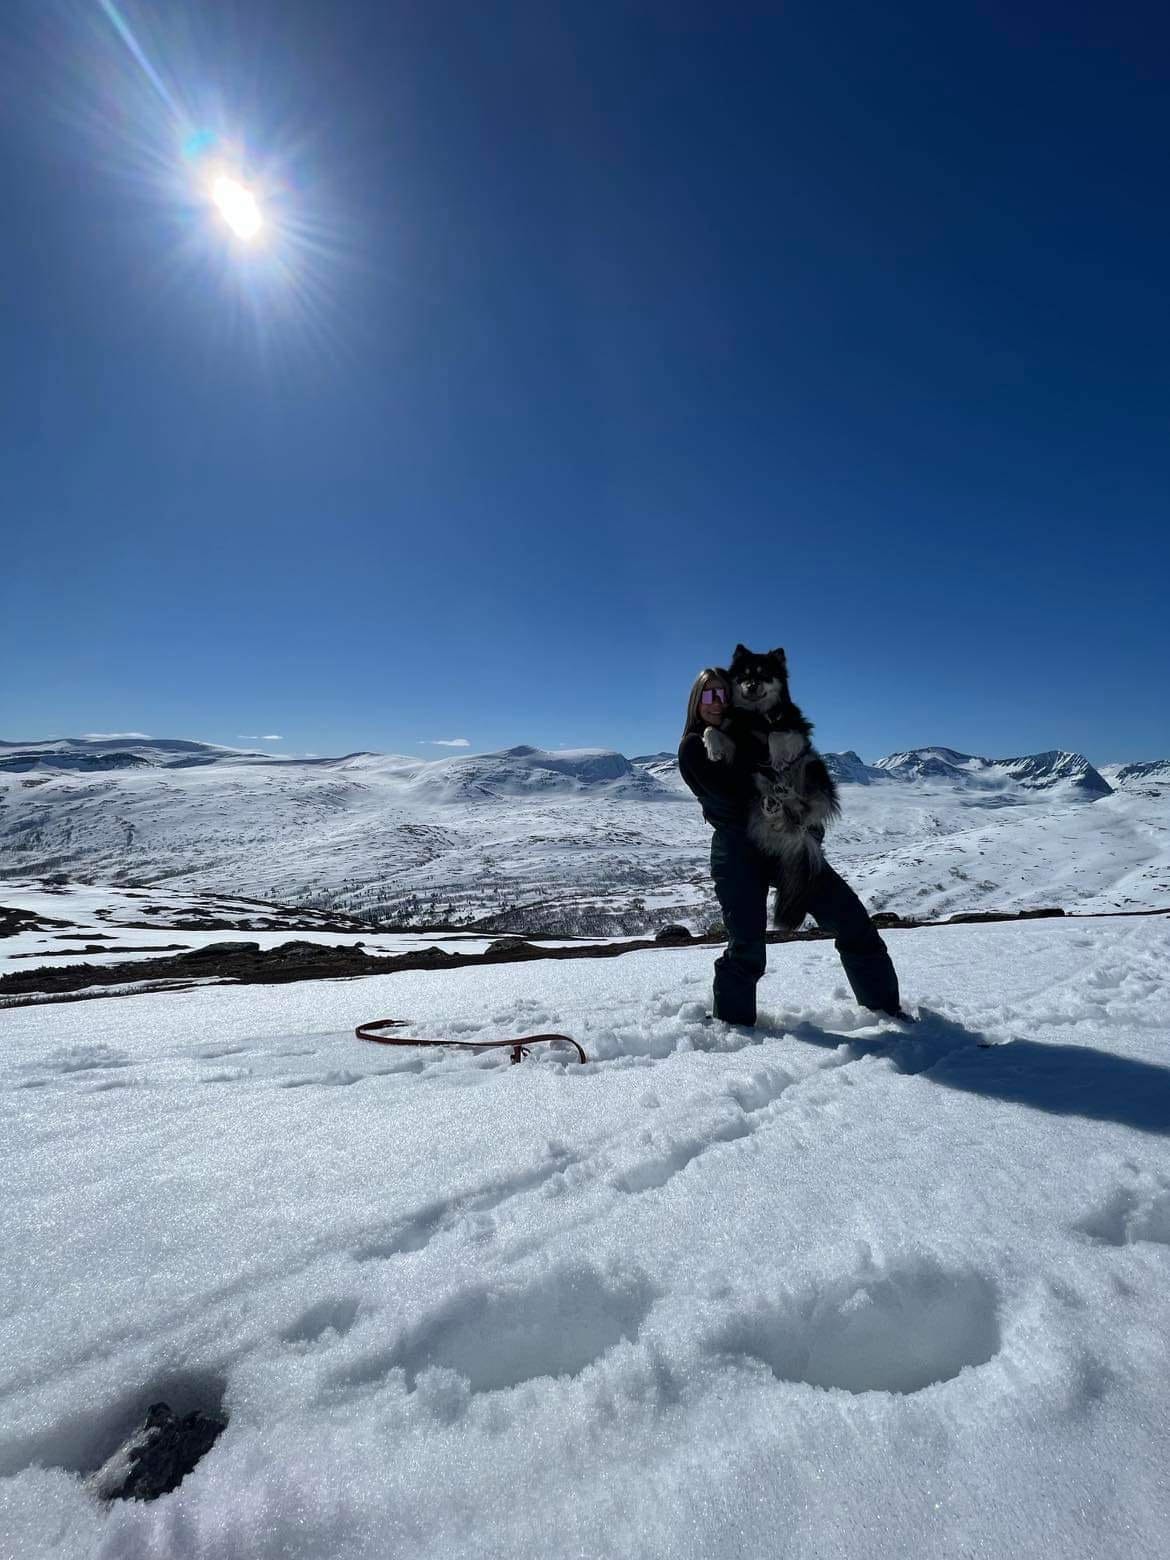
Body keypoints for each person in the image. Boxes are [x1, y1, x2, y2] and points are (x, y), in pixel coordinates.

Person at [678, 666, 906, 1027]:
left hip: (788, 845)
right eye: (709, 695)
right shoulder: (695, 746)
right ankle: (734, 1031)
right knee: (746, 949)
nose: (717, 703)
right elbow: (735, 793)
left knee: (853, 923)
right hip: (739, 852)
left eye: (725, 694)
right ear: (696, 701)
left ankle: (886, 1011)